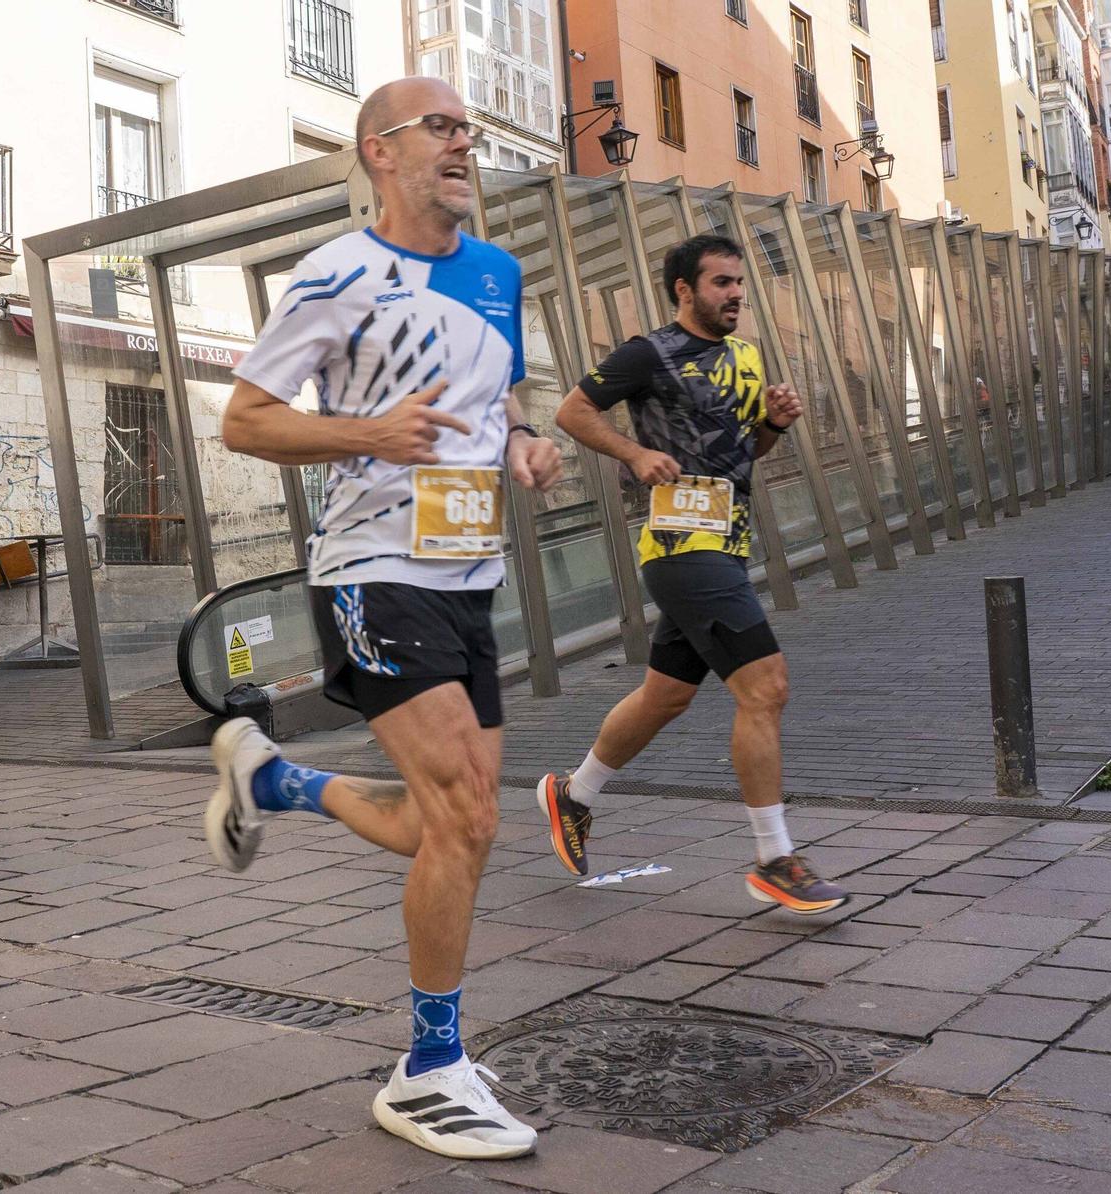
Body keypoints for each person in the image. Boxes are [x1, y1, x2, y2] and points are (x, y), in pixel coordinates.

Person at [205, 77, 564, 1160]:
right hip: (369, 568)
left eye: (470, 130)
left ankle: (275, 780)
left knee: (452, 824)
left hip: (463, 574)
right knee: (459, 814)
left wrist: (520, 443)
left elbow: (491, 393)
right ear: (379, 151)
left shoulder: (495, 273)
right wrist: (367, 430)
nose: (463, 143)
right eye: (442, 128)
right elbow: (244, 422)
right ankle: (428, 1068)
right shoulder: (336, 274)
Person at [535, 234, 848, 916]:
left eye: (739, 283)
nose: (736, 294)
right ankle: (774, 857)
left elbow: (745, 455)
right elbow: (572, 411)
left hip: (728, 540)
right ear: (685, 290)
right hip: (681, 542)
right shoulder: (648, 353)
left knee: (666, 696)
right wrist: (636, 452)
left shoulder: (744, 357)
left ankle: (574, 793)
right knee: (765, 687)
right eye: (721, 283)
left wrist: (774, 424)